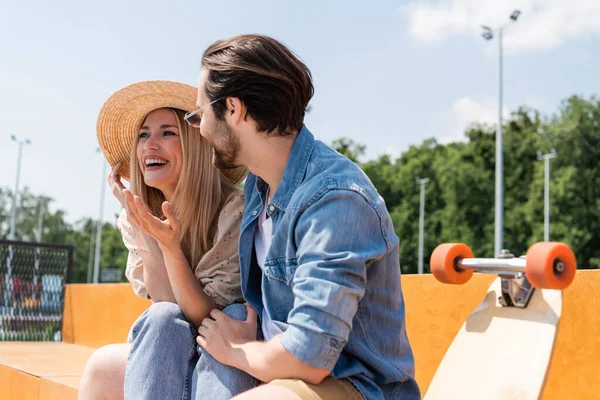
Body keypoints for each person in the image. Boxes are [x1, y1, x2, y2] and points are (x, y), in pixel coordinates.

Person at [187, 34, 420, 399]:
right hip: (275, 366)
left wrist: (238, 351)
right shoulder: (258, 188)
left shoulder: (335, 198)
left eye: (201, 113)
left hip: (353, 385)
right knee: (106, 371)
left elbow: (310, 355)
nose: (200, 128)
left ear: (233, 109)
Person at [78, 80, 258, 400]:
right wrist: (142, 225)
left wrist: (172, 249)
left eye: (167, 132)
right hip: (174, 348)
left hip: (226, 350)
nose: (150, 145)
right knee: (111, 356)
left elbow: (207, 318)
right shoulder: (135, 216)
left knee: (232, 314)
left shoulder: (234, 209)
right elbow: (165, 308)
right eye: (144, 134)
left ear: (196, 143)